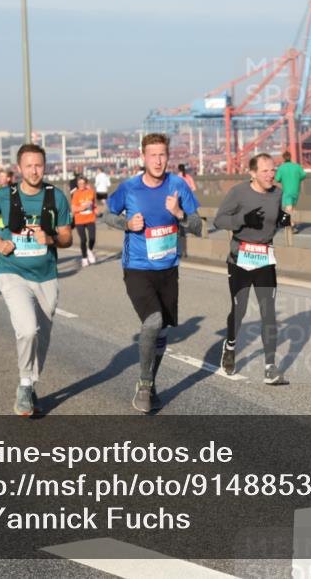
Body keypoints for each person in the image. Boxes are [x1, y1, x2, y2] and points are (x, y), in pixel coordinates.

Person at [104, 133, 203, 413]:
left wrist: (180, 213)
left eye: (162, 155)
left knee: (162, 330)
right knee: (153, 321)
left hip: (168, 269)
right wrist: (126, 223)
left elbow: (198, 226)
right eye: (153, 155)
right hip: (137, 267)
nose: (158, 160)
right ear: (143, 157)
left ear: (168, 156)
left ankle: (150, 381)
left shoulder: (178, 185)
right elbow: (107, 215)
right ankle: (145, 384)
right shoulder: (130, 188)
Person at [0, 144, 73, 417]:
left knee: (41, 336)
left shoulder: (56, 197)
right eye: (29, 165)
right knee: (28, 329)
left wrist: (53, 238)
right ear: (19, 168)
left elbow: (67, 237)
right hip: (12, 271)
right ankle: (24, 384)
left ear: (45, 167)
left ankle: (31, 383)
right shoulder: (4, 196)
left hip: (46, 275)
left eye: (39, 165)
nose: (34, 170)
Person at [213, 153, 290, 384]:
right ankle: (230, 345)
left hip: (264, 258)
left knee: (268, 312)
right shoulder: (239, 193)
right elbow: (219, 220)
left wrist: (281, 221)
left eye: (273, 170)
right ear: (253, 173)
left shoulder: (277, 194)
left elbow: (272, 220)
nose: (270, 175)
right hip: (240, 259)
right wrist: (242, 220)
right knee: (240, 310)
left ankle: (270, 367)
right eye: (265, 171)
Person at [274, 151, 306, 233]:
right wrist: (298, 179)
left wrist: (283, 179)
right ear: (290, 157)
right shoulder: (296, 166)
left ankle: (291, 226)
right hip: (296, 190)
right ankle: (293, 223)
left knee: (288, 207)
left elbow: (277, 179)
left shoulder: (281, 168)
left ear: (283, 158)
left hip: (286, 190)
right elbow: (303, 175)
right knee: (293, 207)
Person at [70, 176, 97, 267]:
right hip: (79, 220)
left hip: (90, 218)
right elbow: (73, 209)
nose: (81, 185)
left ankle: (89, 250)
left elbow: (93, 204)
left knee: (92, 238)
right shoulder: (76, 194)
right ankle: (84, 258)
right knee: (83, 239)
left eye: (83, 183)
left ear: (86, 183)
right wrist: (84, 207)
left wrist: (95, 209)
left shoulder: (91, 192)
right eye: (79, 184)